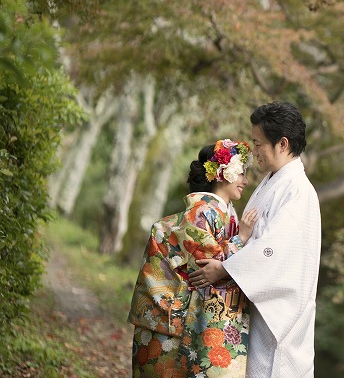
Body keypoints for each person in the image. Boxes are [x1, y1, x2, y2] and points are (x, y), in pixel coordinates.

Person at [189, 101, 321, 378]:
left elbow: (274, 250)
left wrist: (223, 268)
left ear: (282, 144)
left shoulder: (297, 190)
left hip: (277, 314)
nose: (254, 152)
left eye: (258, 144)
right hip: (257, 302)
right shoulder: (274, 181)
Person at [128, 139, 259, 378]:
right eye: (241, 173)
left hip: (178, 318)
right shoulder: (202, 211)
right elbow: (208, 266)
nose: (245, 181)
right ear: (222, 174)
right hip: (168, 321)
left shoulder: (219, 211)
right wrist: (241, 239)